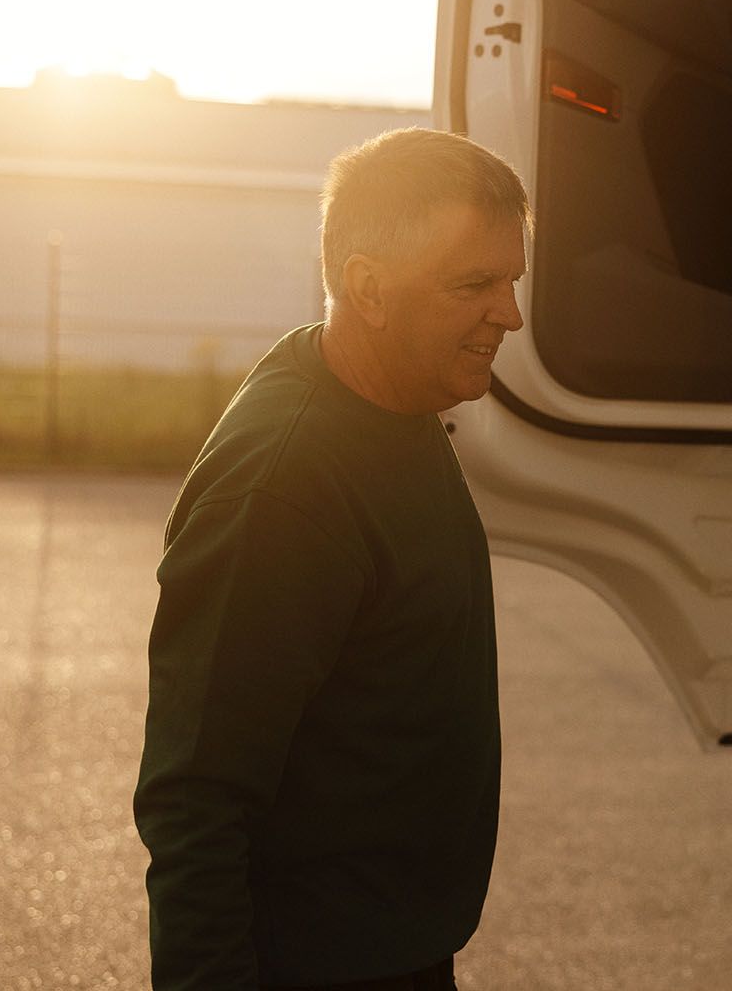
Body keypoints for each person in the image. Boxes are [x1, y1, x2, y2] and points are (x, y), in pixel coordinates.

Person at [134, 127, 530, 991]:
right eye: (474, 285)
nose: (510, 314)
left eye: (512, 281)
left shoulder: (398, 400)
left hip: (394, 951)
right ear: (369, 289)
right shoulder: (284, 488)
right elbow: (197, 798)